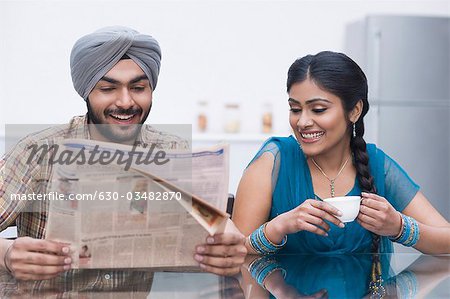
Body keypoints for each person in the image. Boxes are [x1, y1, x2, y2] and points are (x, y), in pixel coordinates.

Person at [0, 26, 246, 280]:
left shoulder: (171, 151)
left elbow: (213, 225)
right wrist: (6, 253)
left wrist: (228, 242)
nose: (126, 102)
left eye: (138, 88)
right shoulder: (37, 151)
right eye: (108, 89)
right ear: (87, 92)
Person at [233, 51, 450, 257]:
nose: (302, 122)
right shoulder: (273, 162)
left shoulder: (376, 164)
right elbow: (233, 254)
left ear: (354, 111)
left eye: (318, 109)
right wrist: (277, 228)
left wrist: (399, 227)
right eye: (295, 109)